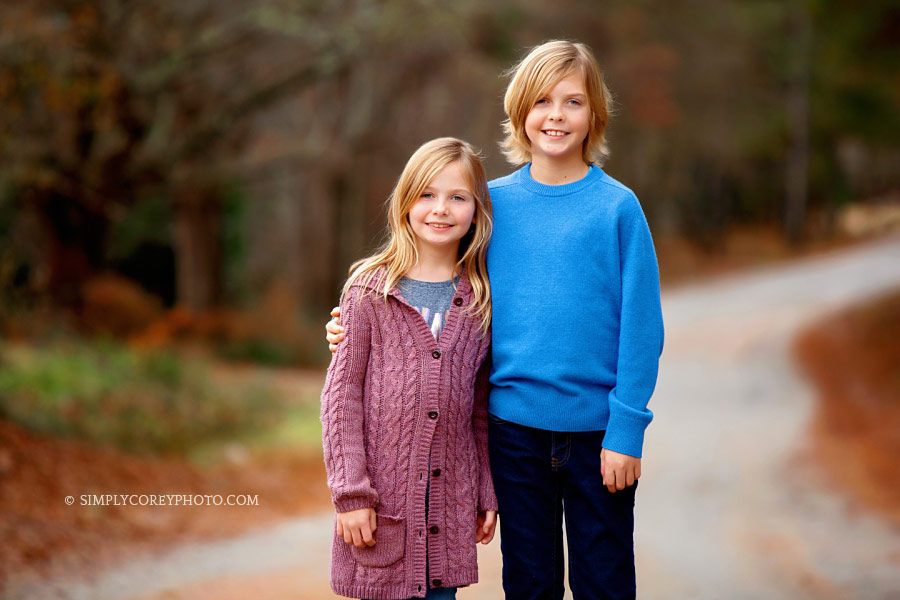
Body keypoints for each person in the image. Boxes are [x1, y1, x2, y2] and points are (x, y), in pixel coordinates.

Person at [328, 41, 664, 600]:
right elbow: (433, 291)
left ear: (594, 115)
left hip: (597, 433)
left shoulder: (617, 208)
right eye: (541, 102)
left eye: (572, 102)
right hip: (512, 433)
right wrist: (348, 324)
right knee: (529, 582)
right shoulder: (488, 206)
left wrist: (626, 430)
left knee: (604, 578)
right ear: (519, 112)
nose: (555, 116)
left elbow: (642, 329)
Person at [320, 137, 498, 600]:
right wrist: (352, 496)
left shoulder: (480, 301)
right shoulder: (369, 292)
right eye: (427, 194)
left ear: (476, 212)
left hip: (448, 516)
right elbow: (341, 402)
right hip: (382, 516)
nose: (441, 209)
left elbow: (479, 412)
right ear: (405, 202)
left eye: (457, 197)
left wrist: (484, 492)